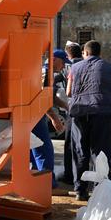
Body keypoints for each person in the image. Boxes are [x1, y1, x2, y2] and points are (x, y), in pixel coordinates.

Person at [66, 40, 111, 201]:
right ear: (100, 53)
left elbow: (68, 92)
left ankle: (80, 190)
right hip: (102, 113)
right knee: (101, 152)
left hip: (80, 113)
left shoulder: (74, 68)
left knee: (80, 151)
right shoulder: (110, 68)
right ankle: (100, 188)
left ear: (85, 53)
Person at [30, 50, 67, 181]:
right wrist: (54, 118)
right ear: (55, 59)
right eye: (63, 63)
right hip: (35, 115)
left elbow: (51, 97)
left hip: (32, 115)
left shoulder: (46, 72)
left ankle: (36, 179)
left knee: (34, 147)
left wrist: (67, 106)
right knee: (44, 148)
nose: (63, 67)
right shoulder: (46, 73)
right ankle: (48, 183)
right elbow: (43, 99)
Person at [61, 43, 83, 185]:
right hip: (89, 107)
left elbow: (67, 90)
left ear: (68, 55)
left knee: (70, 143)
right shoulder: (89, 64)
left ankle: (69, 175)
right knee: (84, 144)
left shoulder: (68, 67)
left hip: (73, 106)